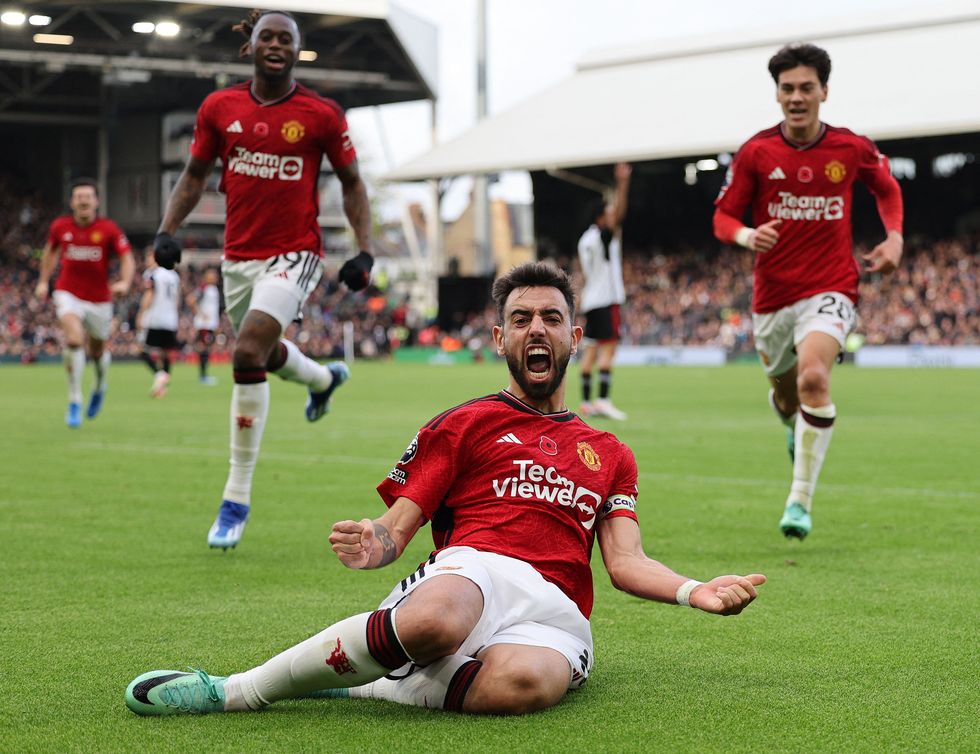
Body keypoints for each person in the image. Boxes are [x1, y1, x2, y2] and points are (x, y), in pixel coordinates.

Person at [125, 261, 766, 718]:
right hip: (473, 570)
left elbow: (625, 563)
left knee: (526, 686)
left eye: (551, 318)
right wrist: (374, 542)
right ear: (500, 339)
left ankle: (368, 685)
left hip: (557, 611)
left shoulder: (612, 454)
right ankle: (238, 690)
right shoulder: (463, 424)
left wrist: (693, 591)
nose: (536, 329)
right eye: (520, 319)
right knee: (436, 619)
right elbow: (396, 531)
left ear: (576, 336)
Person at [152, 9, 375, 549]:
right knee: (263, 352)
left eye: (286, 38)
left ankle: (236, 497)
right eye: (266, 36)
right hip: (238, 258)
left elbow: (351, 182)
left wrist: (365, 251)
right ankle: (323, 380)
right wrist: (167, 230)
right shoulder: (218, 108)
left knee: (247, 350)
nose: (276, 44)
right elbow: (195, 176)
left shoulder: (320, 114)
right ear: (248, 46)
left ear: (298, 51)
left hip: (296, 253)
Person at [713, 43, 903, 540]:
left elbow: (887, 188)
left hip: (832, 284)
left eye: (806, 87)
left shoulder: (850, 147)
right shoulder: (757, 152)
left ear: (824, 91)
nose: (796, 96)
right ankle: (792, 428)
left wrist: (895, 236)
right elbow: (722, 216)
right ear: (777, 93)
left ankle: (799, 500)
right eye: (787, 88)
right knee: (785, 396)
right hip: (772, 297)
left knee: (814, 379)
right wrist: (747, 235)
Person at [33, 177, 134, 428]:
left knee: (97, 351)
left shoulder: (109, 229)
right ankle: (75, 400)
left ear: (96, 201)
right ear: (72, 202)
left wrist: (125, 282)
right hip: (68, 292)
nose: (84, 200)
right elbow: (50, 252)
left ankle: (100, 385)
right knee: (74, 339)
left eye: (88, 196)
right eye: (79, 196)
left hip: (100, 299)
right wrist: (44, 281)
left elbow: (127, 258)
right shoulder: (60, 227)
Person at [577, 162, 631, 420]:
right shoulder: (602, 236)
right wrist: (623, 183)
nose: (612, 216)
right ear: (601, 217)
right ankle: (604, 400)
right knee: (608, 350)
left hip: (591, 300)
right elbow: (619, 214)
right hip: (607, 299)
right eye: (607, 213)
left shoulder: (584, 239)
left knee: (590, 352)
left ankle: (586, 402)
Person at [137, 252, 182, 398]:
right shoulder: (174, 276)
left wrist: (141, 314)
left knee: (141, 349)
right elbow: (177, 300)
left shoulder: (153, 274)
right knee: (166, 353)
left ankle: (159, 374)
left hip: (155, 318)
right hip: (170, 319)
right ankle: (162, 388)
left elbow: (149, 295)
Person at [188, 267, 221, 385]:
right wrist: (200, 314)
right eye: (212, 274)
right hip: (204, 325)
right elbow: (191, 300)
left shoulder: (213, 289)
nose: (215, 277)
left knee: (206, 349)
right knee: (203, 348)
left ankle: (204, 375)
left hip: (210, 325)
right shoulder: (204, 288)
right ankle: (203, 376)